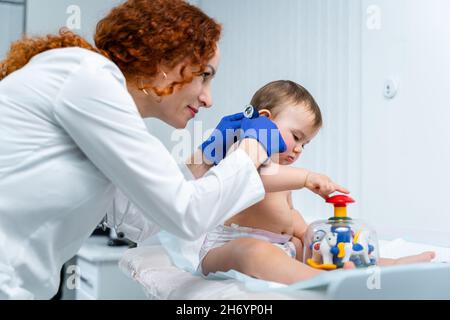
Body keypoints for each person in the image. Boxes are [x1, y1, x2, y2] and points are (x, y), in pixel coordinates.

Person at [0, 0, 332, 299]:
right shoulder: (87, 79)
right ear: (167, 61)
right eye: (204, 76)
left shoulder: (97, 103)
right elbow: (186, 215)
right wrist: (254, 146)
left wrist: (206, 158)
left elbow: (146, 219)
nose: (207, 98)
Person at [198, 80, 436, 284]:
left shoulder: (283, 173)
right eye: (296, 137)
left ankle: (388, 266)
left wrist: (308, 234)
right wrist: (306, 178)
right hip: (228, 247)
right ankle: (321, 281)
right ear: (264, 120)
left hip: (279, 246)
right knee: (254, 251)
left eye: (305, 144)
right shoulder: (244, 153)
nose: (299, 149)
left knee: (318, 249)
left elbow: (288, 213)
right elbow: (253, 177)